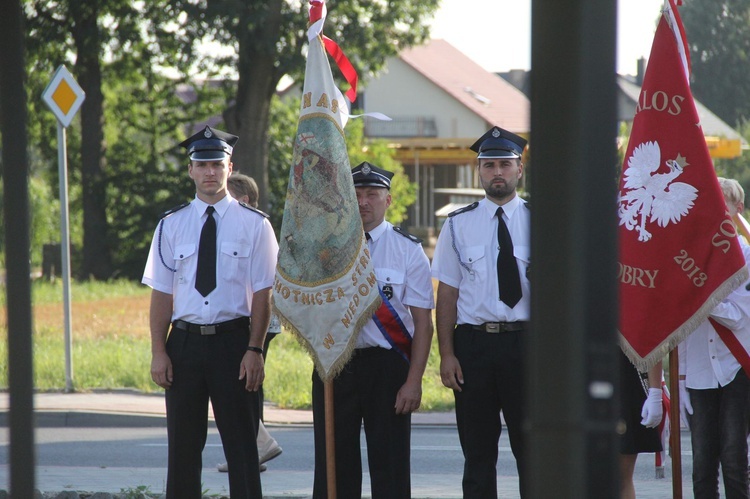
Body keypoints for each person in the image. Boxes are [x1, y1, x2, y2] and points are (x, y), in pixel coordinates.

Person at [142, 125, 278, 499]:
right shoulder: (171, 225)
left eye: (217, 165)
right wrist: (159, 350)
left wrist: (255, 349)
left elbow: (264, 293)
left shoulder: (256, 225)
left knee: (243, 451)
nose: (209, 172)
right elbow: (161, 294)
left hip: (234, 344)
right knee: (183, 450)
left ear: (230, 168)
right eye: (201, 165)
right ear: (190, 170)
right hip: (183, 344)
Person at [311, 161, 435, 499]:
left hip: (388, 367)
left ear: (388, 200)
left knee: (391, 464)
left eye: (372, 194)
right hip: (335, 365)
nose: (364, 201)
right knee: (334, 466)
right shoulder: (327, 248)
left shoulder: (408, 249)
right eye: (356, 193)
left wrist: (414, 381)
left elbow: (424, 323)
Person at [431, 125, 530, 498]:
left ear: (520, 169)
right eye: (489, 166)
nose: (497, 173)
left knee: (533, 451)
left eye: (505, 164)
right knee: (477, 455)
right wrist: (447, 355)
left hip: (526, 346)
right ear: (479, 172)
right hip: (474, 346)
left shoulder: (542, 221)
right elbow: (448, 296)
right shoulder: (458, 224)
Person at [679, 176, 750, 499]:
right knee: (702, 465)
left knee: (734, 460)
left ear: (739, 208)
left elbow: (739, 318)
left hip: (735, 368)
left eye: (722, 204)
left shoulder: (746, 256)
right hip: (697, 370)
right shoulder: (686, 257)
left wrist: (698, 295)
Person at [216, 172, 283, 473]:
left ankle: (257, 443)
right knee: (246, 383)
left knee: (243, 382)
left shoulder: (254, 225)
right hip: (250, 318)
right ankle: (252, 449)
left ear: (242, 199)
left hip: (253, 319)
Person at [619, 357, 663, 499]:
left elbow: (650, 341)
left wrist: (655, 391)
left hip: (623, 377)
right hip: (573, 374)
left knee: (620, 477)